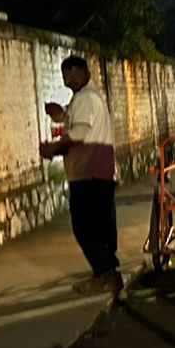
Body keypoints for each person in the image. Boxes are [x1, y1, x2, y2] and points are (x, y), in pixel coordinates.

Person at [39, 56, 122, 295]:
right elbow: (77, 123)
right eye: (66, 75)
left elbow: (79, 133)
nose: (69, 79)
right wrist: (62, 115)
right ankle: (109, 274)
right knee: (102, 225)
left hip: (89, 174)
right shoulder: (86, 98)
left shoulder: (85, 98)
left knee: (86, 227)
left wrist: (53, 148)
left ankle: (105, 273)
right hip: (98, 171)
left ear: (86, 73)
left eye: (74, 73)